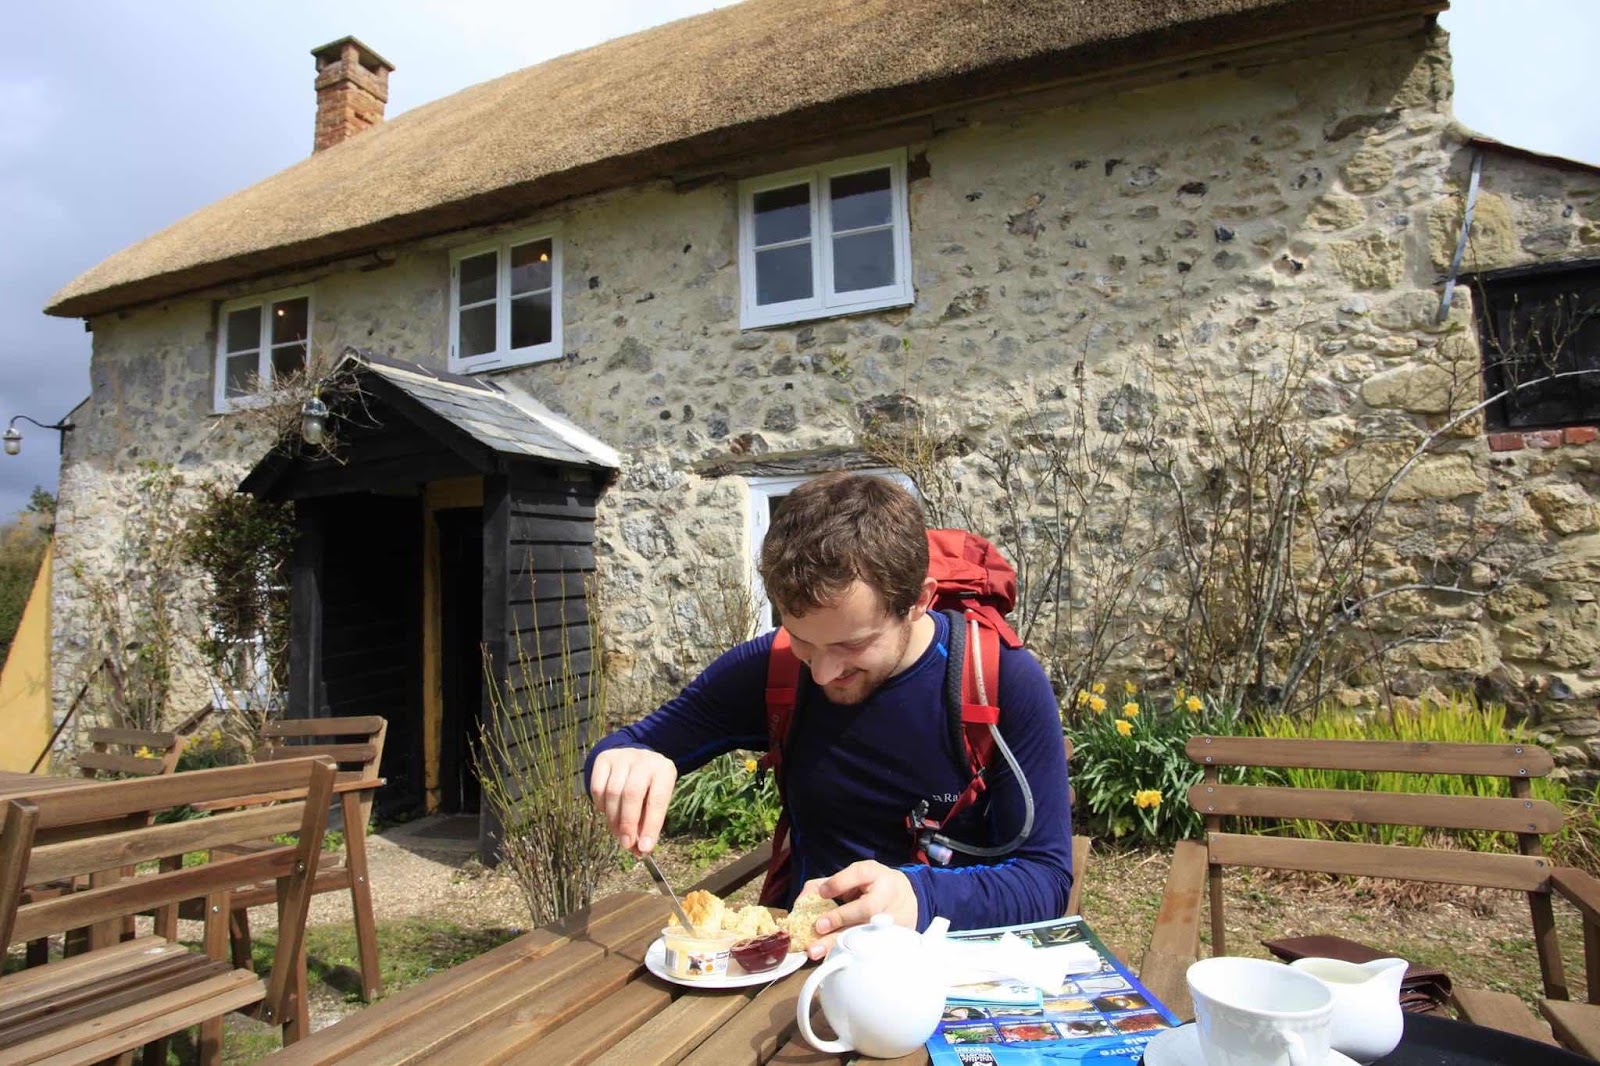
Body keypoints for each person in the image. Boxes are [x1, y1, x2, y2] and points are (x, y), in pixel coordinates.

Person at [584, 472, 1074, 958]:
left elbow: (1045, 880)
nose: (822, 673)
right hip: (807, 966)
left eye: (852, 645)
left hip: (947, 965)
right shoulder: (773, 665)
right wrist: (626, 760)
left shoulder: (997, 680)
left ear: (918, 601)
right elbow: (624, 747)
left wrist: (919, 898)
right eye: (802, 639)